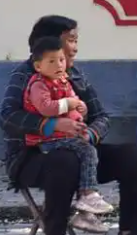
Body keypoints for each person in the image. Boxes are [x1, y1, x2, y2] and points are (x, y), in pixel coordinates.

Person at [0, 16, 137, 235]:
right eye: (70, 40)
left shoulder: (74, 75)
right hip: (31, 157)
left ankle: (131, 230)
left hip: (81, 151)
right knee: (64, 160)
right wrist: (53, 124)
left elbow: (101, 117)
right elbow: (7, 117)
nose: (75, 48)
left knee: (131, 156)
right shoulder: (26, 75)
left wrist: (88, 134)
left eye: (76, 41)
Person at [24, 36, 114, 217]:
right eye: (52, 61)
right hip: (48, 139)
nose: (59, 65)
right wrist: (69, 103)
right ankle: (87, 194)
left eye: (61, 60)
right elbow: (47, 108)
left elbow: (75, 101)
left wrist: (81, 109)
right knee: (87, 151)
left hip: (67, 135)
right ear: (38, 66)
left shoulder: (63, 80)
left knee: (87, 151)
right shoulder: (38, 84)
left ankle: (86, 216)